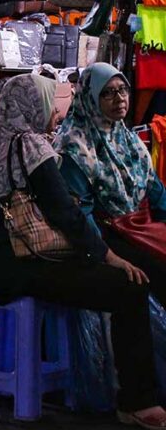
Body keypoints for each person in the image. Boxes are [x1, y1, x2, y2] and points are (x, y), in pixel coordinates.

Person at [0, 73, 166, 430]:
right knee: (129, 287)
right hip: (15, 264)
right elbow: (64, 212)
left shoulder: (1, 139)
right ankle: (137, 401)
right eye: (49, 102)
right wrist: (107, 256)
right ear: (34, 105)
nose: (56, 111)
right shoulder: (32, 145)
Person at [57, 63, 166, 304]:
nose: (119, 99)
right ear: (90, 97)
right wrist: (108, 255)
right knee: (152, 274)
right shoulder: (74, 147)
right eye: (107, 92)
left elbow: (156, 192)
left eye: (122, 90)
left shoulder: (127, 139)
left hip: (136, 227)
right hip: (104, 235)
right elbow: (79, 212)